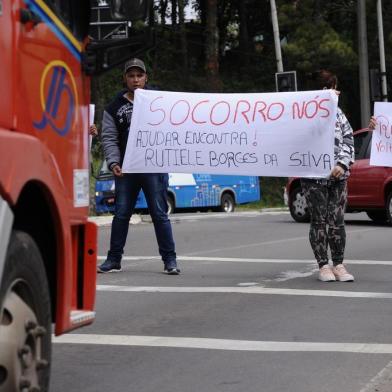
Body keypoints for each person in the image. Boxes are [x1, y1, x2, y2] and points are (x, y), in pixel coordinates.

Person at [97, 58, 180, 275]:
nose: (135, 80)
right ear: (125, 79)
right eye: (131, 76)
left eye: (139, 76)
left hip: (153, 168)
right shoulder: (114, 107)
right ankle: (114, 259)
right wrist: (114, 162)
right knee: (122, 214)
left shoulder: (161, 101)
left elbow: (177, 126)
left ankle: (170, 260)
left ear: (146, 78)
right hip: (126, 170)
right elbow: (109, 137)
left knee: (159, 213)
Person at [301, 70, 355, 282]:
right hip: (313, 178)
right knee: (318, 221)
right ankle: (323, 265)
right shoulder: (303, 113)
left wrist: (342, 163)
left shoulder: (339, 114)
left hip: (338, 178)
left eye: (335, 87)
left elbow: (348, 138)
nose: (336, 92)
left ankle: (339, 264)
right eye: (332, 87)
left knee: (337, 221)